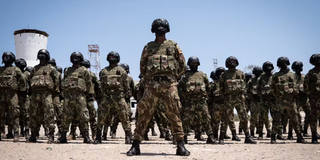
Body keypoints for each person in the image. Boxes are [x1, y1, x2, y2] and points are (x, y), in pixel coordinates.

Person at [127, 18, 190, 156]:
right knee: (144, 114)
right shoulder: (148, 47)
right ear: (153, 30)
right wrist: (151, 79)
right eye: (157, 26)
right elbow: (142, 67)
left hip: (169, 85)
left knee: (174, 114)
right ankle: (135, 145)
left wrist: (172, 77)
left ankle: (180, 145)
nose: (160, 28)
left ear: (167, 29)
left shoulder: (173, 46)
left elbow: (182, 65)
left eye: (162, 26)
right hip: (151, 85)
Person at [94, 51, 132, 144]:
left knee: (124, 117)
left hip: (115, 97)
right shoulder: (107, 71)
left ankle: (128, 136)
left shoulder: (109, 71)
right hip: (114, 97)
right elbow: (126, 86)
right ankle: (98, 137)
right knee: (102, 117)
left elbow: (101, 86)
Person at [178, 56, 217, 144]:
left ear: (198, 64)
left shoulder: (202, 75)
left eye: (195, 63)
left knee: (206, 119)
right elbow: (179, 88)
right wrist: (184, 97)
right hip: (189, 102)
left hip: (201, 101)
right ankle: (184, 138)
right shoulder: (185, 76)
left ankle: (210, 137)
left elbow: (208, 86)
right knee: (186, 120)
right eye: (192, 64)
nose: (194, 65)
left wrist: (206, 96)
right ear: (189, 64)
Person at [218, 56, 257, 144]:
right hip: (228, 98)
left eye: (234, 61)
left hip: (239, 98)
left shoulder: (240, 73)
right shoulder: (224, 74)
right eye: (230, 61)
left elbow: (244, 85)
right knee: (225, 118)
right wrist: (226, 94)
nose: (232, 62)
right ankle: (221, 138)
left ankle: (247, 137)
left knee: (244, 117)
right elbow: (220, 87)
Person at [58, 52, 93, 143]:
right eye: (73, 57)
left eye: (77, 57)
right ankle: (63, 136)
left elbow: (89, 84)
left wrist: (88, 96)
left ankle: (86, 136)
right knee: (65, 116)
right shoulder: (67, 70)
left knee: (84, 116)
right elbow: (63, 83)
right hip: (68, 96)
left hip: (80, 96)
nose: (75, 59)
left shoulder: (84, 70)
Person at [271, 57, 305, 144]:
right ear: (278, 64)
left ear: (288, 63)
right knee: (276, 119)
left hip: (290, 100)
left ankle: (299, 136)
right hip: (279, 101)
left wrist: (292, 94)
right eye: (281, 63)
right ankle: (273, 137)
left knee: (295, 119)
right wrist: (278, 96)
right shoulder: (276, 75)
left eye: (285, 62)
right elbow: (273, 88)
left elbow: (296, 87)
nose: (283, 64)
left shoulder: (292, 75)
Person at [28, 49, 58, 143]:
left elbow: (56, 80)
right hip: (35, 94)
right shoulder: (34, 68)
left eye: (43, 54)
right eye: (40, 54)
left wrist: (53, 91)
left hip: (47, 94)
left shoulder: (51, 68)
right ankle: (33, 134)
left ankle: (51, 135)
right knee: (34, 114)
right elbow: (30, 80)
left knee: (49, 114)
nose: (42, 56)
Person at [0, 52, 26, 142]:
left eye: (8, 57)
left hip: (12, 94)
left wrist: (21, 92)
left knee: (15, 113)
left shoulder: (16, 69)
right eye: (4, 57)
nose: (6, 58)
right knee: (1, 114)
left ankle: (16, 133)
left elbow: (22, 81)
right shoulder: (0, 69)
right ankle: (1, 132)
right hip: (1, 94)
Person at [304, 54, 320, 143]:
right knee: (313, 118)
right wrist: (310, 95)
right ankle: (314, 135)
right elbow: (306, 86)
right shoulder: (310, 73)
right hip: (314, 99)